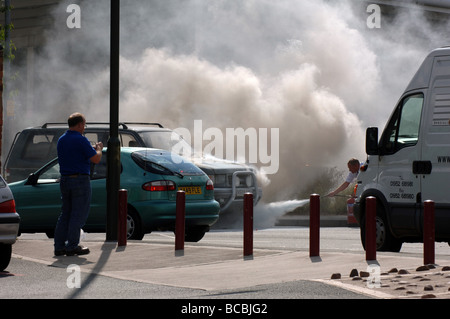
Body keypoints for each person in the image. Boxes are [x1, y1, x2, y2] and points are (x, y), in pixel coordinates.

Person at [54, 113, 103, 256]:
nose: (84, 128)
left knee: (66, 213)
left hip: (65, 179)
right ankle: (72, 246)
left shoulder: (62, 140)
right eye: (84, 124)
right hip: (80, 180)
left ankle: (59, 246)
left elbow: (74, 154)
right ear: (80, 124)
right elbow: (96, 159)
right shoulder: (81, 140)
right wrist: (98, 148)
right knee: (78, 214)